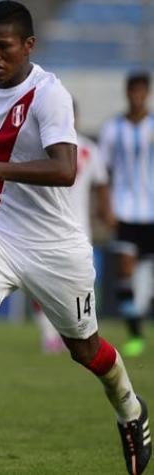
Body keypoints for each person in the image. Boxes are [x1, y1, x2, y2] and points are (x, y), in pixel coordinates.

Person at [0, 3, 150, 473]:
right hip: (1, 228)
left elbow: (65, 168)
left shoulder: (49, 95)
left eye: (3, 46)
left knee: (86, 349)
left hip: (57, 245)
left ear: (28, 46)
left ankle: (131, 410)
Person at [34, 100, 112, 354]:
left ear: (76, 117)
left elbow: (101, 185)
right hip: (45, 227)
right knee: (37, 281)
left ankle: (80, 335)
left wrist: (106, 213)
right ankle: (48, 335)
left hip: (78, 231)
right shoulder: (43, 147)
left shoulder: (90, 149)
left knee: (79, 287)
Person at [99, 71, 154, 358]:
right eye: (133, 91)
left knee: (143, 278)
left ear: (147, 93)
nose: (137, 96)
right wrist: (106, 207)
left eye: (141, 91)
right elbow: (103, 173)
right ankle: (135, 333)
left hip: (152, 212)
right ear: (127, 93)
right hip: (124, 211)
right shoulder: (112, 129)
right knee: (124, 270)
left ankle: (141, 310)